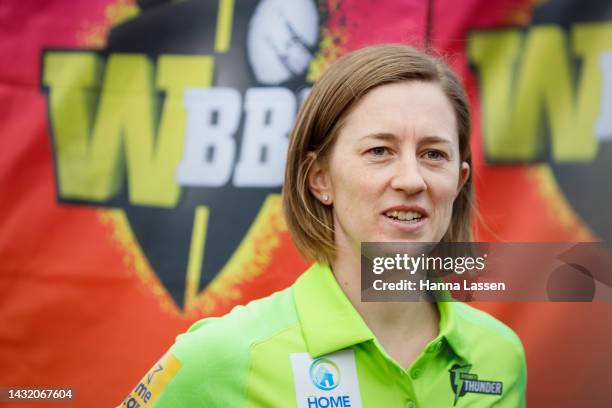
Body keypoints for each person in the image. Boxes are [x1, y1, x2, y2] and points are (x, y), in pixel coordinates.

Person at [119, 44, 526, 407]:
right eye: (380, 150)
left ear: (459, 180)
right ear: (320, 178)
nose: (411, 179)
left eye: (434, 154)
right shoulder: (225, 354)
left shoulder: (499, 356)